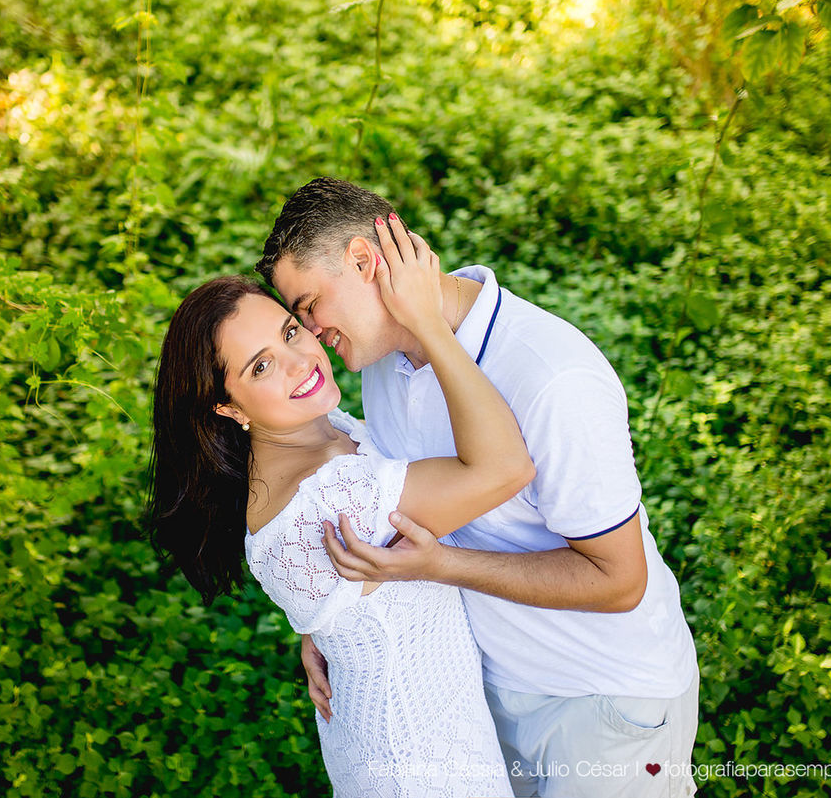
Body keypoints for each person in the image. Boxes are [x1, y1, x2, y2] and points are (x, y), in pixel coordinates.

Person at [256, 177, 700, 798]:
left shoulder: (551, 376)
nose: (309, 330)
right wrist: (323, 624)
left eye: (308, 306)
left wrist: (442, 565)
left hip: (600, 701)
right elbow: (382, 499)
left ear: (365, 261)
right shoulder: (384, 361)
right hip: (482, 691)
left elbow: (620, 580)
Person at [146, 219, 533, 796]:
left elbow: (334, 585)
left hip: (399, 741)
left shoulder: (321, 435)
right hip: (422, 770)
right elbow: (506, 469)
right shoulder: (330, 498)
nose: (301, 361)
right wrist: (429, 325)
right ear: (227, 409)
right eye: (260, 366)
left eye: (290, 332)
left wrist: (325, 627)